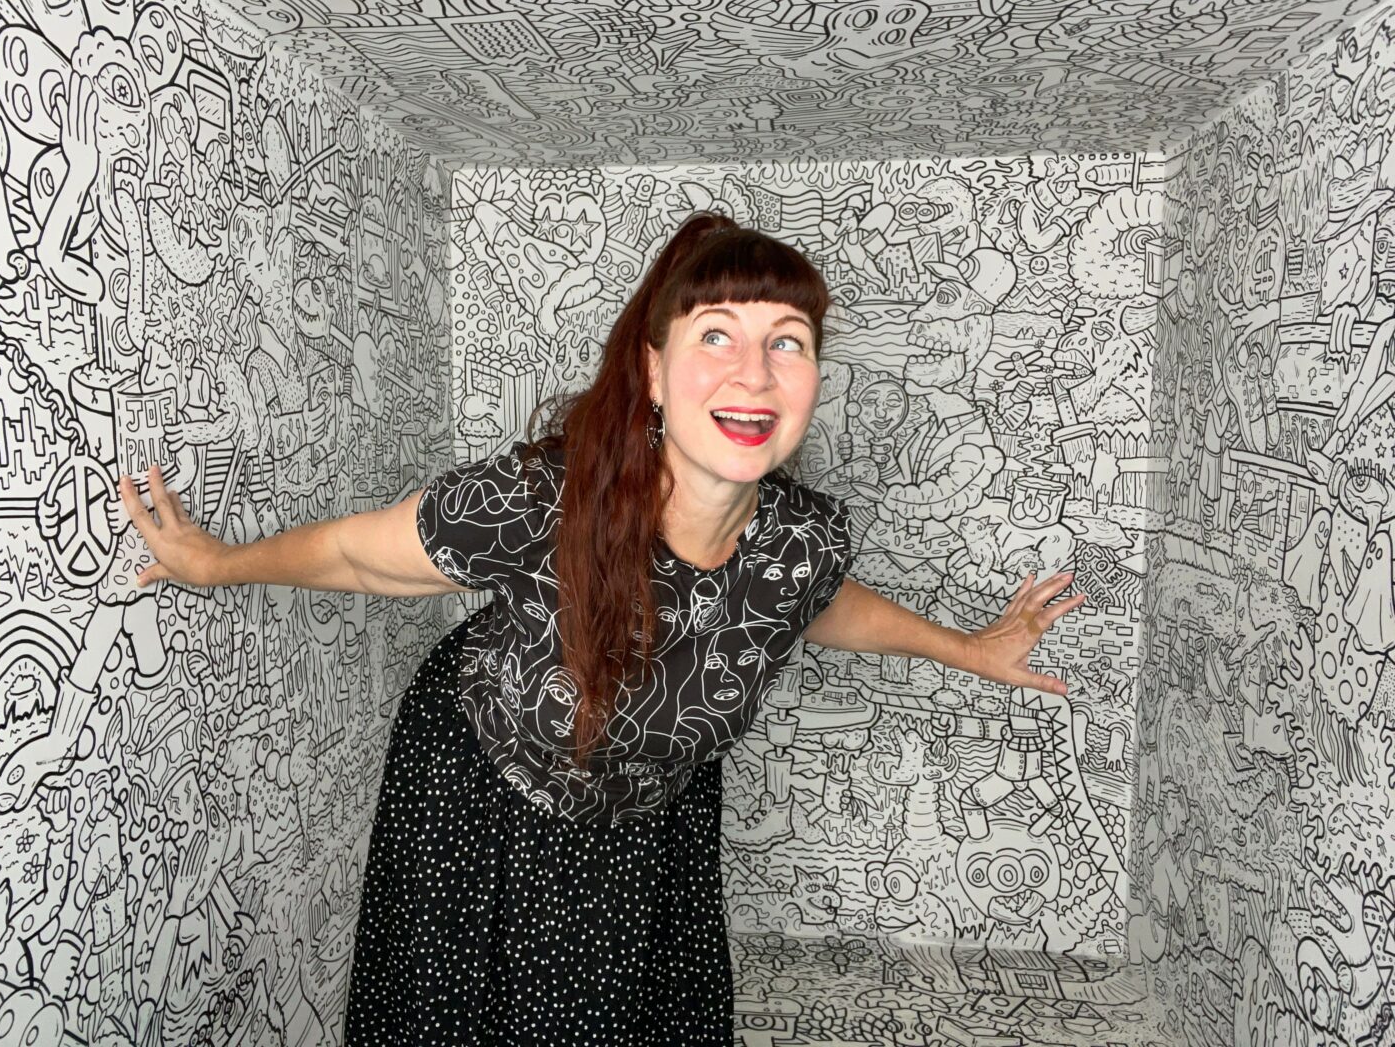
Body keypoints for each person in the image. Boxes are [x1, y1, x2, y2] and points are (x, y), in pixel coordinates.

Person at [114, 213, 1086, 1045]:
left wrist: (969, 648)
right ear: (655, 372)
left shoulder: (802, 536)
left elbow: (815, 602)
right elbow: (358, 556)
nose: (754, 372)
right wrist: (216, 564)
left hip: (650, 810)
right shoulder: (541, 500)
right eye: (717, 335)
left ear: (813, 378)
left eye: (787, 342)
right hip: (484, 791)